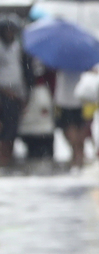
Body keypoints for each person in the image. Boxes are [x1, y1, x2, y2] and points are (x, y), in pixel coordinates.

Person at [0, 14, 26, 168]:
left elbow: (20, 72)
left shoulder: (17, 47)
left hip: (15, 95)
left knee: (12, 129)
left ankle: (7, 158)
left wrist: (22, 95)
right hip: (3, 94)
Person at [54, 69, 88, 168]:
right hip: (80, 98)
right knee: (79, 127)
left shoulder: (60, 60)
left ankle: (76, 153)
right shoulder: (82, 61)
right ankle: (79, 153)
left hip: (64, 99)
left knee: (69, 127)